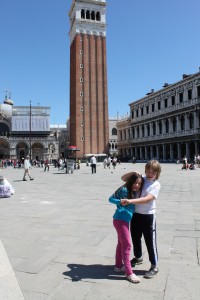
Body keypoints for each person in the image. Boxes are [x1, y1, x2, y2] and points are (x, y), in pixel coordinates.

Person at [121, 160, 161, 279]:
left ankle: (154, 265)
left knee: (150, 241)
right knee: (135, 237)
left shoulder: (156, 185)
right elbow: (123, 178)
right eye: (149, 170)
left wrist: (130, 201)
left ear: (157, 172)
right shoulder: (141, 179)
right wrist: (134, 172)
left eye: (153, 171)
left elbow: (148, 199)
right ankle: (138, 257)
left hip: (148, 216)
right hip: (136, 214)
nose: (150, 172)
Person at [109, 172, 143, 284]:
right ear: (131, 181)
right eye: (135, 182)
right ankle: (129, 273)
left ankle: (118, 266)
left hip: (124, 220)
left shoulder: (133, 191)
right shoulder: (124, 190)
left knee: (121, 244)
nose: (137, 185)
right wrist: (120, 201)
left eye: (139, 184)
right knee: (127, 244)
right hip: (120, 220)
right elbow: (110, 199)